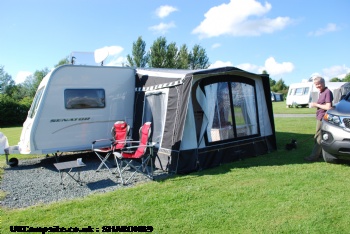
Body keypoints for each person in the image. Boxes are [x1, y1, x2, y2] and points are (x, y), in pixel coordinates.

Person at [305, 76, 333, 162]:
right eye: (315, 84)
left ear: (323, 83)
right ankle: (320, 154)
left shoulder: (327, 92)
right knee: (317, 136)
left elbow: (328, 107)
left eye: (318, 84)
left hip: (323, 117)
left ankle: (314, 157)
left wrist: (316, 104)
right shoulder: (321, 92)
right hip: (319, 116)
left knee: (319, 137)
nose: (317, 86)